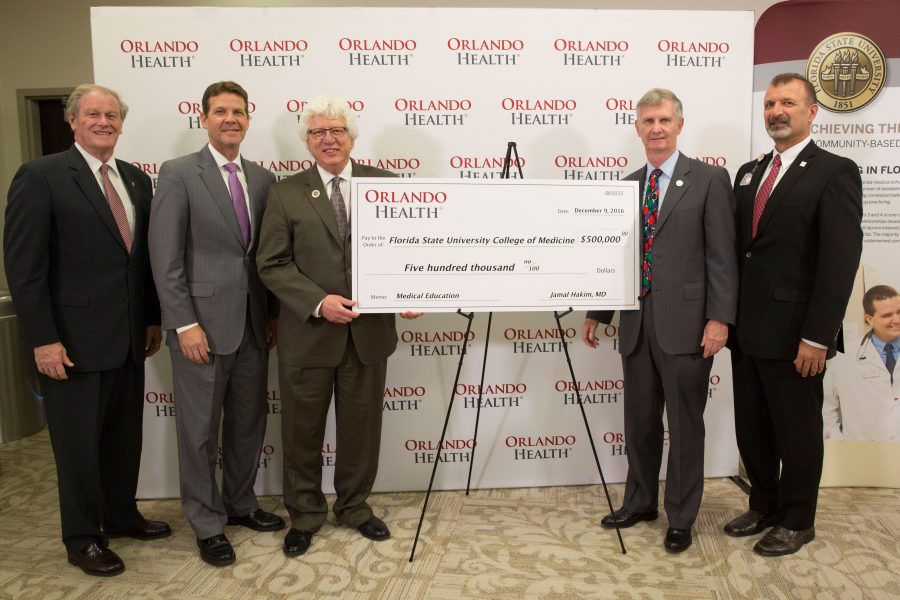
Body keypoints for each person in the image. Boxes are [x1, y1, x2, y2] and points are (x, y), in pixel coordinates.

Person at [4, 84, 170, 576]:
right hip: (70, 341)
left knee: (123, 438)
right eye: (94, 114)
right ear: (73, 120)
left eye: (113, 115)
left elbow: (141, 262)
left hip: (128, 338)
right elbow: (25, 268)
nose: (104, 122)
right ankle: (82, 537)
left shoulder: (138, 180)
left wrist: (152, 317)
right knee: (77, 447)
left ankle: (119, 515)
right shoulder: (41, 176)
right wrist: (42, 338)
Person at [256, 94, 420, 558]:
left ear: (352, 136)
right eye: (317, 132)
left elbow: (406, 252)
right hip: (307, 337)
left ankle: (354, 507)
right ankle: (305, 515)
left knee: (360, 431)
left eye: (337, 130)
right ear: (306, 141)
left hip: (367, 338)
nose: (328, 139)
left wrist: (411, 291)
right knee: (301, 434)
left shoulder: (385, 185)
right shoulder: (284, 192)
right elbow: (271, 263)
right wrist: (318, 301)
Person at [581, 88, 737, 553]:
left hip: (689, 325)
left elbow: (723, 257)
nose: (656, 128)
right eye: (648, 120)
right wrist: (597, 311)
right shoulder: (626, 184)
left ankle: (682, 517)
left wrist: (719, 319)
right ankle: (641, 501)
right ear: (637, 127)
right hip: (635, 323)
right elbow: (617, 256)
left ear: (679, 125)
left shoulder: (709, 178)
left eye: (664, 120)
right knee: (640, 421)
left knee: (686, 426)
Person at [726, 73, 863, 556]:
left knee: (798, 431)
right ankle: (763, 504)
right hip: (746, 330)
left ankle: (799, 518)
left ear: (811, 112)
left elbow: (839, 263)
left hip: (797, 336)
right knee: (753, 427)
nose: (776, 111)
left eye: (787, 102)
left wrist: (818, 336)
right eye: (769, 103)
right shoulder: (749, 171)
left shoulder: (834, 171)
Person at [149, 81, 282, 567]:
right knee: (200, 432)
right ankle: (207, 524)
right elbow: (165, 260)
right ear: (203, 118)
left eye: (239, 112)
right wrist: (184, 324)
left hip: (251, 326)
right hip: (200, 329)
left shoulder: (264, 179)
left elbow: (265, 259)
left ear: (249, 118)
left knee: (248, 423)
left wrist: (270, 316)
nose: (231, 119)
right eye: (220, 111)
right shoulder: (180, 173)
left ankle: (241, 505)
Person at [823, 285, 900, 441]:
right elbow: (827, 409)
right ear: (869, 319)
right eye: (887, 315)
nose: (897, 320)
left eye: (899, 312)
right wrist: (837, 443)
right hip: (861, 451)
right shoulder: (843, 358)